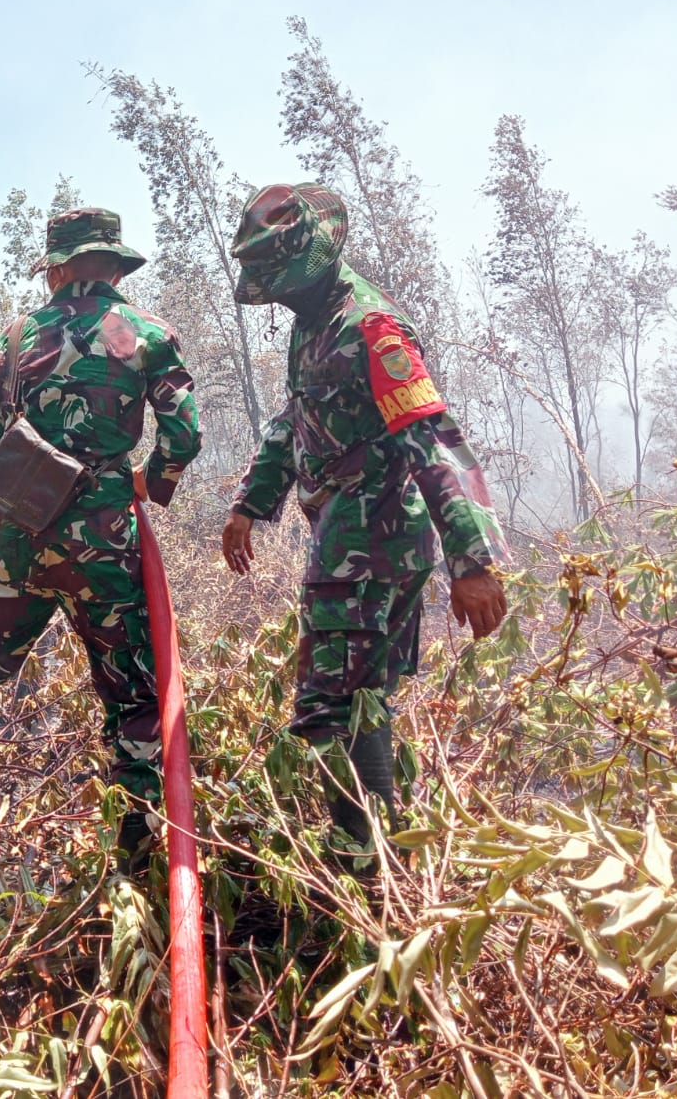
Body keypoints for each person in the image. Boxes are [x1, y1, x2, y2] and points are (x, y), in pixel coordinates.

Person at [0, 208, 202, 870]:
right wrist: (150, 481)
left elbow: (4, 433)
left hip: (20, 532)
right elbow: (186, 435)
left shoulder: (13, 337)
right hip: (105, 542)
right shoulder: (148, 334)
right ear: (114, 265)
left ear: (58, 269)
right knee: (133, 690)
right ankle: (137, 848)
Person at [220, 183, 508, 857]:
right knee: (360, 702)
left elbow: (431, 440)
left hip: (373, 542)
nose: (276, 294)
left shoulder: (371, 327)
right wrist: (250, 505)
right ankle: (382, 861)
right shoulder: (313, 326)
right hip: (344, 539)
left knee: (328, 710)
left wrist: (471, 562)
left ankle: (363, 869)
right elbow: (297, 419)